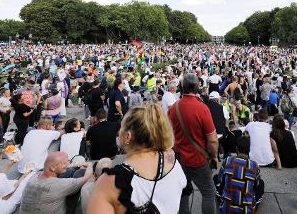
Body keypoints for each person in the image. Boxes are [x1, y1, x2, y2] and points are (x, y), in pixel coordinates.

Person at [88, 104, 187, 213]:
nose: (119, 131)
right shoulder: (173, 160)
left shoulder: (109, 183)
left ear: (128, 136)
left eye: (122, 127)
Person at [168, 73, 218, 214]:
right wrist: (214, 157)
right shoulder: (202, 108)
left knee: (183, 192)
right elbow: (213, 139)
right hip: (199, 160)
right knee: (208, 192)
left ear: (182, 87)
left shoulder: (173, 108)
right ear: (198, 87)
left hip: (179, 160)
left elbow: (168, 133)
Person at [19, 151, 93, 214]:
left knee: (69, 170)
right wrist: (89, 165)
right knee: (79, 173)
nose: (67, 164)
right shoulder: (60, 185)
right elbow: (86, 177)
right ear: (52, 168)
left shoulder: (34, 176)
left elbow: (61, 168)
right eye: (64, 163)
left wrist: (74, 165)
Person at [214, 136, 265, 213]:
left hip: (227, 210)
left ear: (237, 148)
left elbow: (220, 179)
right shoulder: (254, 165)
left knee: (215, 179)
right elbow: (256, 186)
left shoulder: (227, 160)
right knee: (261, 183)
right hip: (246, 211)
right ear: (249, 149)